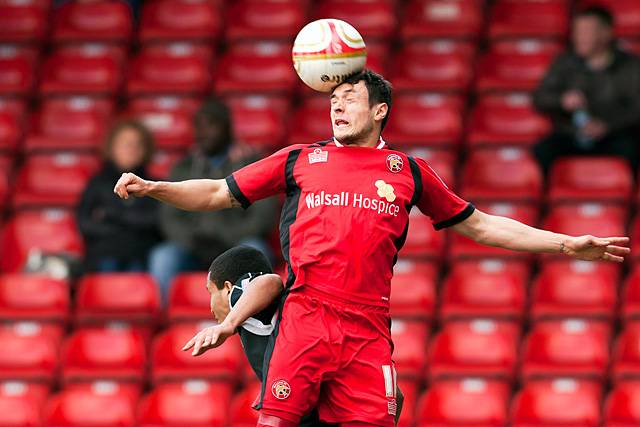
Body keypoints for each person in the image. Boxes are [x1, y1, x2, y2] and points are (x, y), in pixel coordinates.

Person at [114, 69, 630, 427]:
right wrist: (156, 186)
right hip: (307, 315)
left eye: (350, 99)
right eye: (332, 100)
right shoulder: (300, 160)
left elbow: (481, 225)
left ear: (380, 110)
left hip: (367, 329)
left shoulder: (407, 172)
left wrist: (565, 243)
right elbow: (215, 192)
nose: (336, 106)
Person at [181, 245, 405, 426]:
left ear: (229, 288)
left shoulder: (243, 298)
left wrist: (227, 325)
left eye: (211, 292)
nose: (210, 307)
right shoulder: (262, 316)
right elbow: (397, 396)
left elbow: (270, 281)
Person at [148, 97, 277, 301]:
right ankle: (167, 325)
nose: (203, 133)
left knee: (256, 248)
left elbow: (263, 214)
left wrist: (225, 237)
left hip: (235, 246)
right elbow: (168, 217)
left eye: (211, 125)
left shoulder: (249, 163)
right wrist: (192, 241)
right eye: (199, 126)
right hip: (193, 248)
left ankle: (258, 324)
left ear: (227, 128)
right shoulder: (182, 167)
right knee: (163, 256)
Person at [533, 6, 640, 175]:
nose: (579, 38)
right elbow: (540, 98)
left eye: (586, 32)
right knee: (543, 150)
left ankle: (625, 195)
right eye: (577, 31)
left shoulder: (632, 66)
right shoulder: (564, 63)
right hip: (571, 134)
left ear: (606, 33)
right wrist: (562, 100)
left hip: (614, 136)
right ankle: (553, 195)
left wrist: (607, 125)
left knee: (631, 150)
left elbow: (636, 108)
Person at [77, 119, 160, 272]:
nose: (132, 150)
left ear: (146, 149)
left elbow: (157, 223)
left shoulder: (152, 185)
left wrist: (110, 215)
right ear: (112, 148)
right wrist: (131, 223)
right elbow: (85, 223)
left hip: (142, 254)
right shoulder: (97, 183)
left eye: (138, 145)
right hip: (104, 254)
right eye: (126, 144)